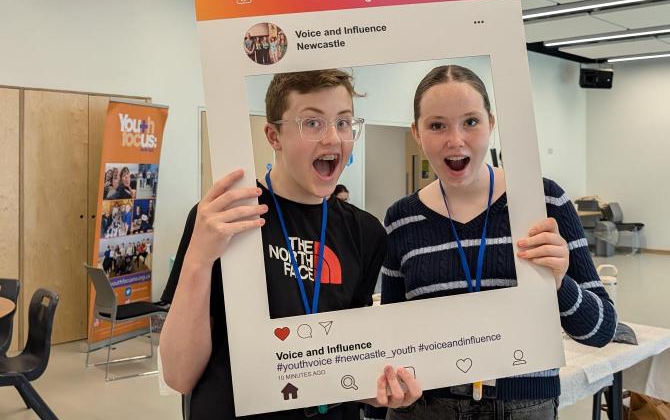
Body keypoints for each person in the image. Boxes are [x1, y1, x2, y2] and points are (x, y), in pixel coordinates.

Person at [160, 69, 422, 420]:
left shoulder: (366, 232)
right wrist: (199, 257)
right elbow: (179, 375)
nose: (332, 138)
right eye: (312, 123)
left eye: (344, 123)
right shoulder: (227, 218)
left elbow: (352, 356)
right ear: (274, 135)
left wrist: (378, 389)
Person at [367, 65, 616, 420]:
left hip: (524, 404)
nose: (456, 139)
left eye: (470, 122)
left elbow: (601, 329)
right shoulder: (402, 218)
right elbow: (392, 336)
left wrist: (560, 283)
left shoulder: (542, 201)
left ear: (491, 124)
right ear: (416, 133)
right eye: (437, 125)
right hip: (426, 408)